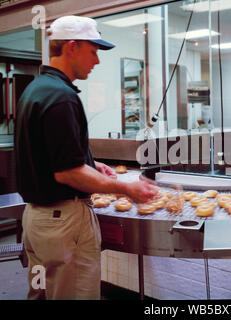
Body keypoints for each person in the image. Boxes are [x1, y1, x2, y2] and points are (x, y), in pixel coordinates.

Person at [14, 15, 157, 300]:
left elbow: (53, 157)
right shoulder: (62, 96)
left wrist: (90, 164)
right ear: (72, 47)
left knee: (44, 294)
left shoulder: (36, 90)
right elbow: (68, 173)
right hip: (63, 224)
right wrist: (126, 188)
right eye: (93, 51)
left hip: (37, 221)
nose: (97, 61)